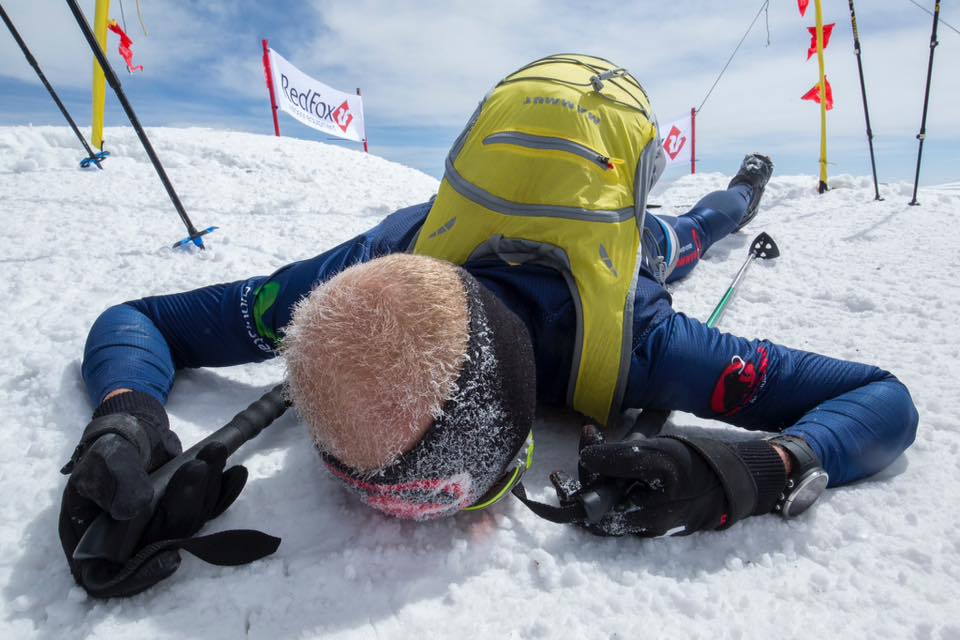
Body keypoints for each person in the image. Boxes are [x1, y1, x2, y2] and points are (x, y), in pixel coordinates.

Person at [58, 53, 918, 597]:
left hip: (627, 246)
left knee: (693, 231)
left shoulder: (643, 346)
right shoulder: (370, 277)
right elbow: (874, 403)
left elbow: (889, 399)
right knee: (691, 230)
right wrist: (128, 417)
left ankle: (744, 187)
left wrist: (761, 470)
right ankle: (727, 197)